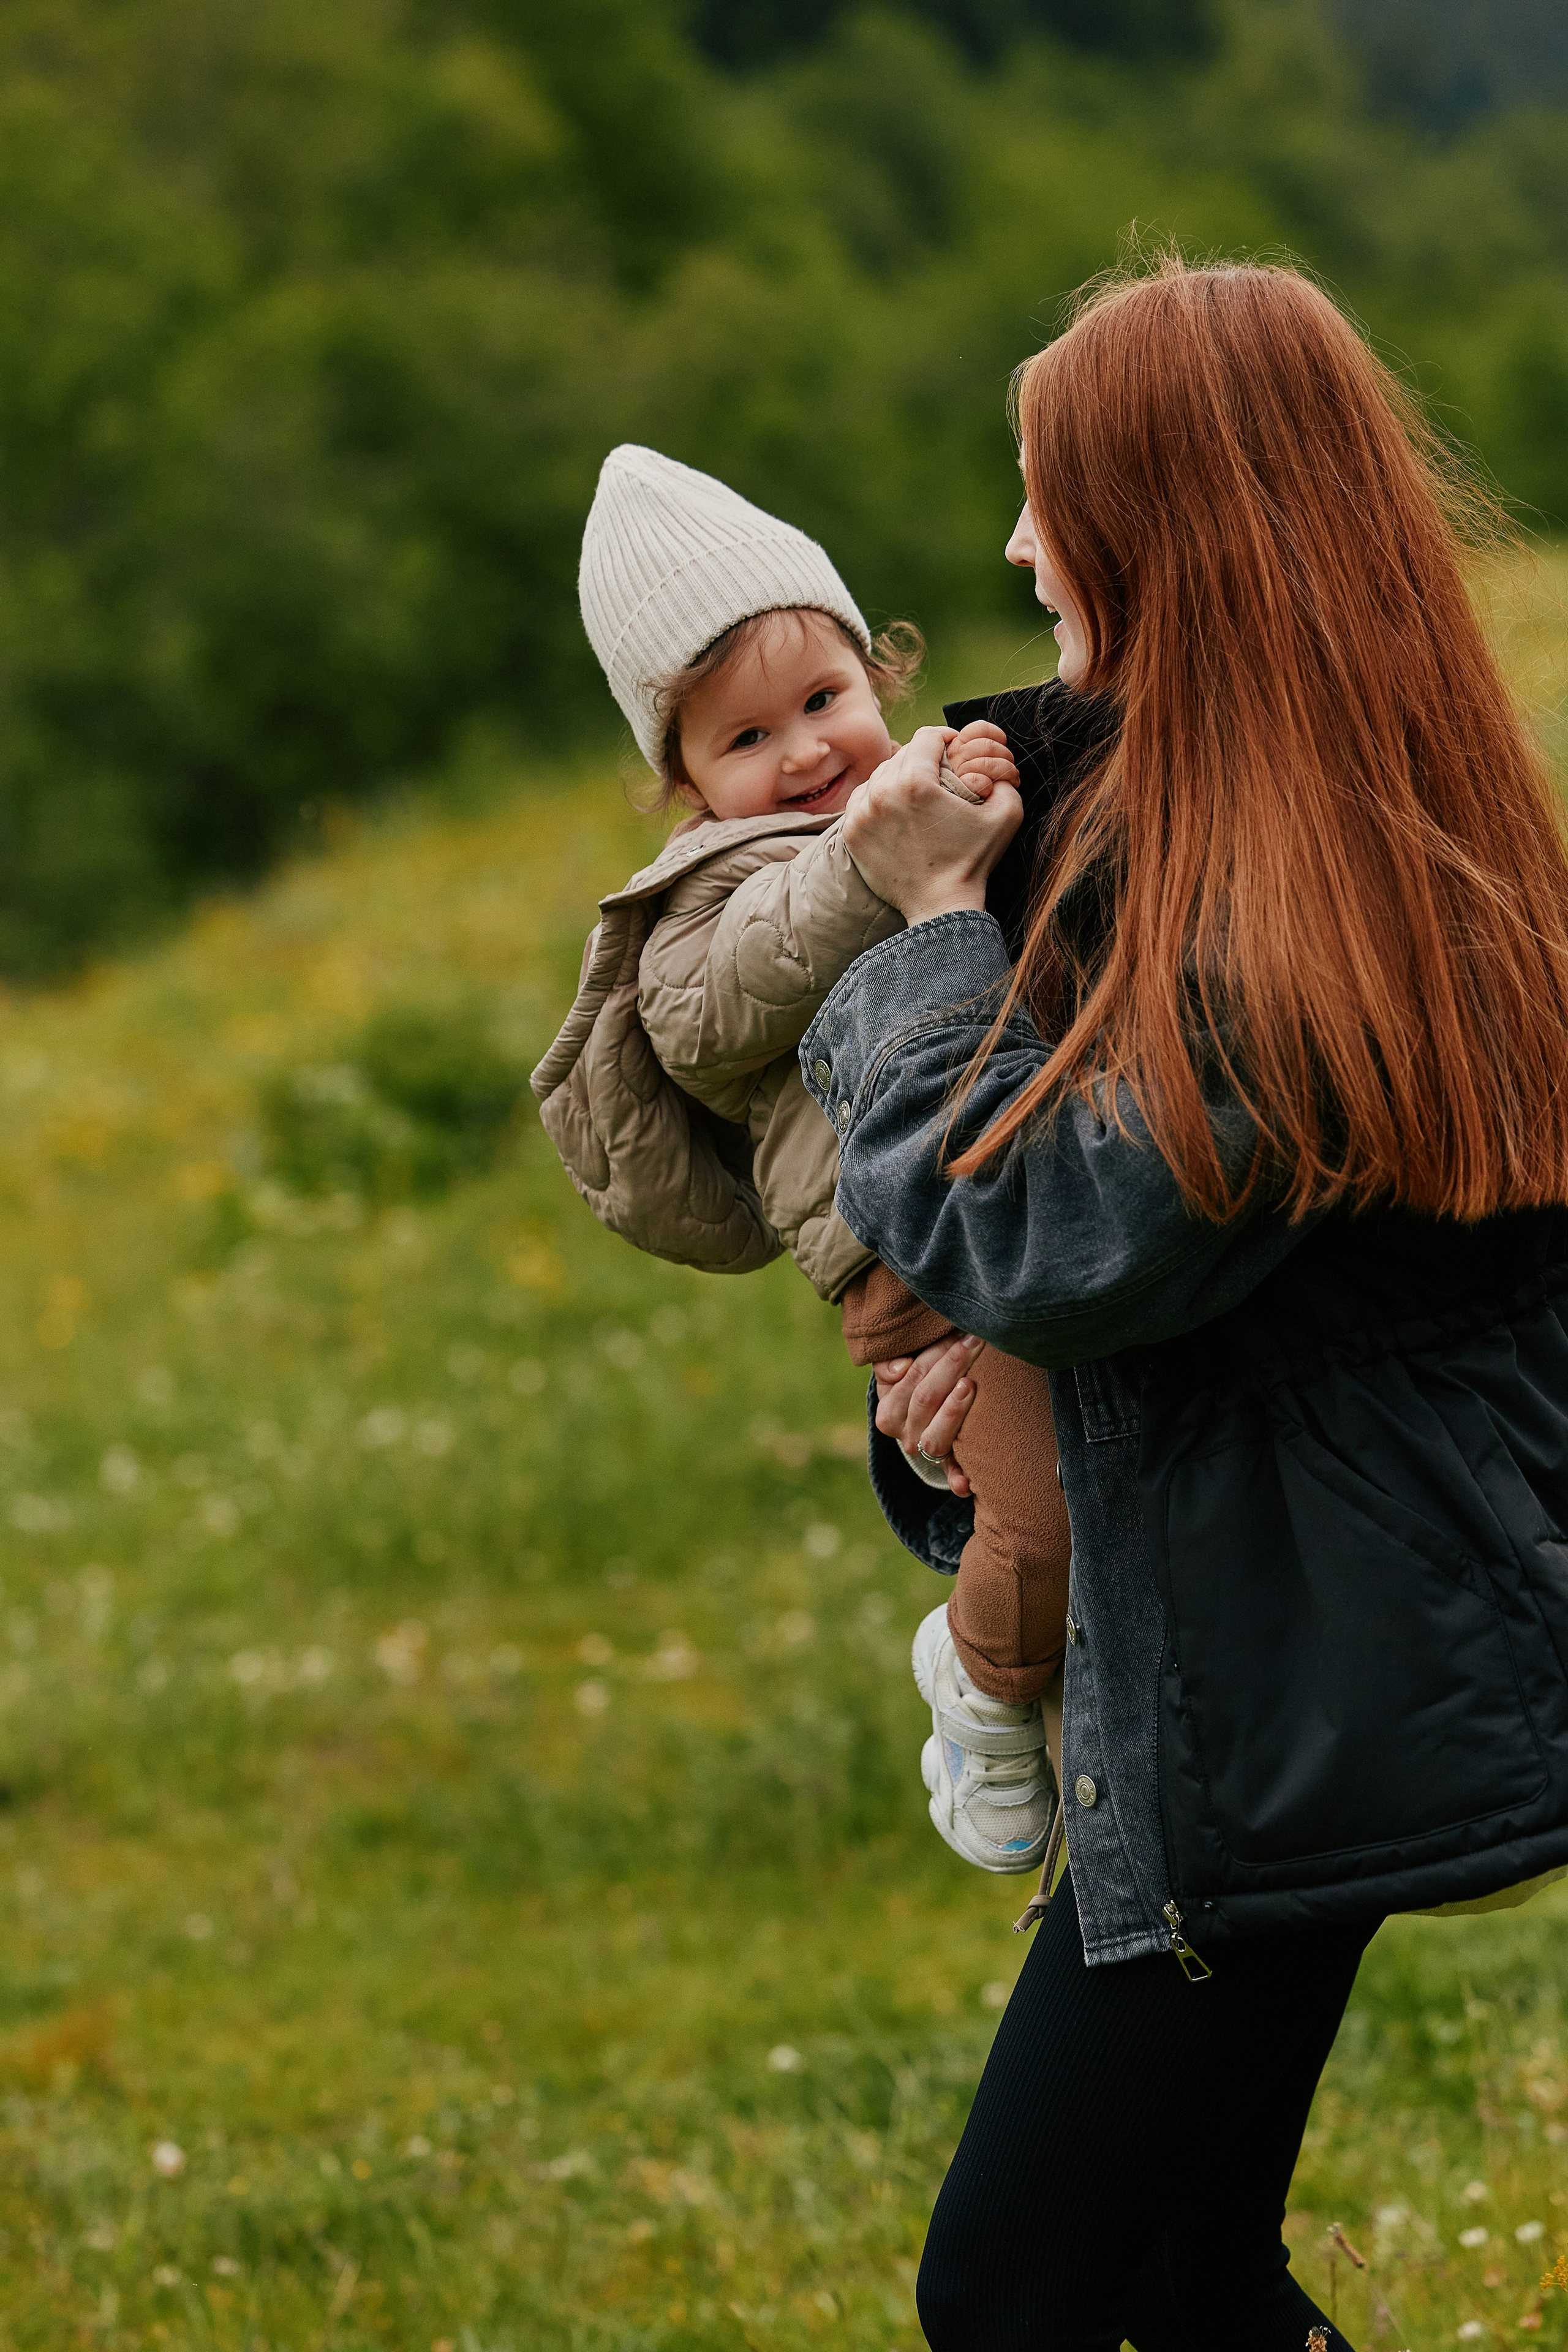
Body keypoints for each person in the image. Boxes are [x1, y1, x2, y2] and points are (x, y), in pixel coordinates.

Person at [798, 257, 1568, 2350]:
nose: (1019, 544)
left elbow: (1045, 1237)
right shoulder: (1302, 832)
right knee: (1181, 2271)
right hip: (1283, 1655)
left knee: (1021, 2288)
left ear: (1170, 523)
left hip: (1281, 1688)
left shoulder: (1300, 904)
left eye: (1051, 495)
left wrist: (932, 923)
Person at [532, 444, 1073, 1874]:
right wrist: (867, 862)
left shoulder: (904, 807)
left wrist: (985, 789)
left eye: (824, 700)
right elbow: (712, 1015)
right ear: (684, 786)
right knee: (1045, 1508)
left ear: (876, 675)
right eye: (744, 740)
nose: (806, 754)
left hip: (1023, 1186)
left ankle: (1069, 1703)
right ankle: (982, 1690)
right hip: (902, 1257)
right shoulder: (706, 896)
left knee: (1111, 1483)